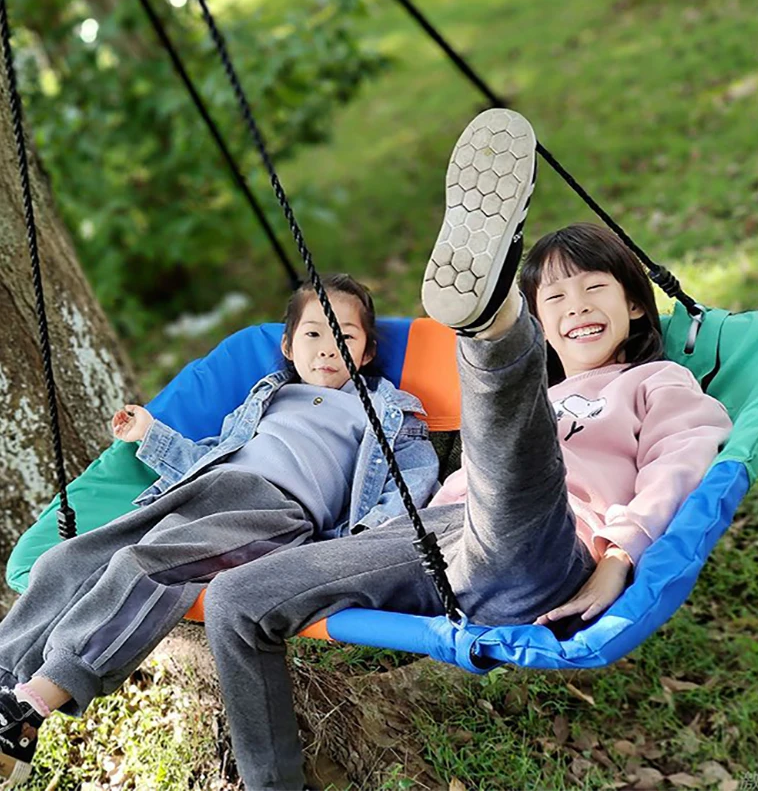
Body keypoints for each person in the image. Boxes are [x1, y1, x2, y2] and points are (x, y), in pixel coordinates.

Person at [194, 109, 732, 790]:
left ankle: (488, 324)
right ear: (545, 321)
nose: (578, 305)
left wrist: (620, 557)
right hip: (440, 540)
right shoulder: (543, 387)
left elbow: (677, 468)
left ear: (634, 307)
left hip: (549, 545)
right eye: (555, 297)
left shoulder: (658, 380)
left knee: (515, 453)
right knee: (237, 599)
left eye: (596, 287)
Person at [0, 274, 439, 786]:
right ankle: (6, 694)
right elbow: (209, 456)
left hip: (275, 510)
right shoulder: (270, 395)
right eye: (314, 334)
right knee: (67, 560)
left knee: (144, 567)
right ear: (288, 345)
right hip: (204, 489)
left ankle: (45, 694)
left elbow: (411, 481)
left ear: (366, 353)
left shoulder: (388, 409)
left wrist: (361, 542)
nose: (328, 349)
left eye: (346, 335)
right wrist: (153, 437)